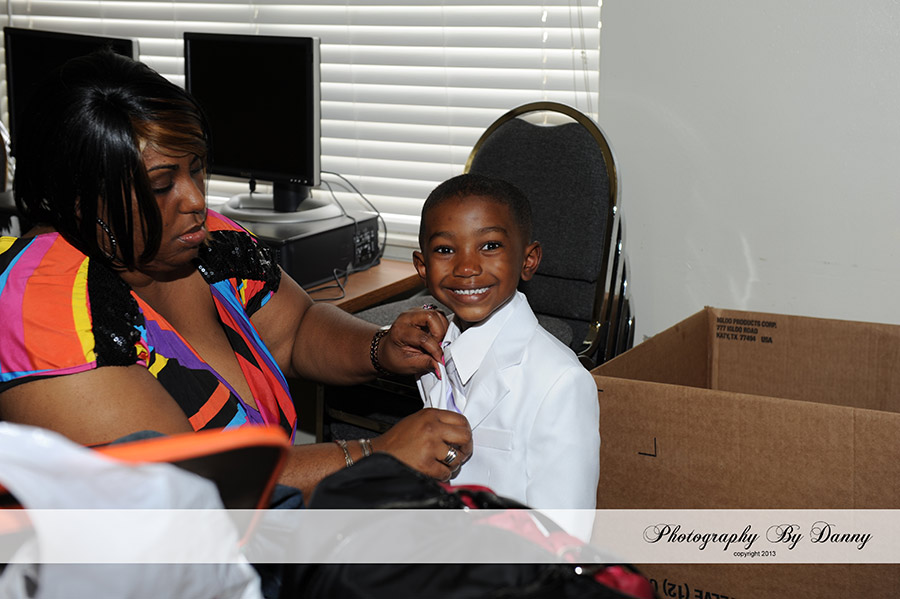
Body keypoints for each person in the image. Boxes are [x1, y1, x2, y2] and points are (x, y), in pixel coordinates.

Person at [0, 49, 472, 501]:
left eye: (197, 169)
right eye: (161, 185)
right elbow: (193, 488)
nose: (195, 199)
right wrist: (373, 455)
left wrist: (380, 348)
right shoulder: (40, 306)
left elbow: (295, 330)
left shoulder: (206, 242)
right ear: (83, 200)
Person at [412, 173, 600, 540]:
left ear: (528, 260)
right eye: (446, 250)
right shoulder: (432, 349)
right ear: (422, 267)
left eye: (490, 246)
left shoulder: (562, 383)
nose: (466, 267)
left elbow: (565, 536)